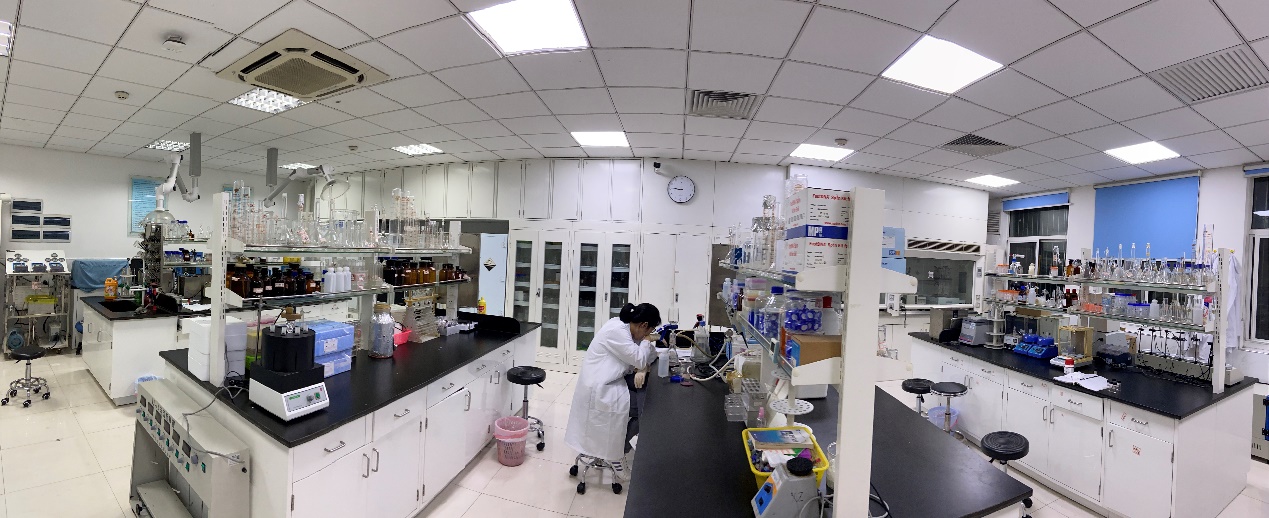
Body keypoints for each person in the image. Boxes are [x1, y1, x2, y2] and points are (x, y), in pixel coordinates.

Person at [564, 302, 661, 474]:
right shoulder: (617, 331)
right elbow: (639, 358)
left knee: (645, 394)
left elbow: (649, 355)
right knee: (646, 410)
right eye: (649, 331)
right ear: (643, 325)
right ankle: (618, 454)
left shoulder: (627, 328)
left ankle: (618, 447)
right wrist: (646, 344)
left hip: (612, 379)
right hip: (600, 388)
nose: (648, 335)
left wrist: (643, 364)